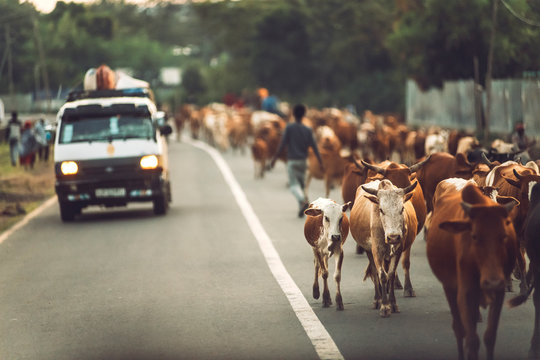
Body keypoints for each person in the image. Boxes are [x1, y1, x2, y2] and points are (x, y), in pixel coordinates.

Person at [270, 104, 324, 217]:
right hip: (303, 162)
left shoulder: (289, 128)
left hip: (292, 161)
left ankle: (303, 202)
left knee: (294, 185)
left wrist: (274, 158)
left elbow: (282, 144)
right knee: (302, 185)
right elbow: (314, 147)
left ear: (293, 114)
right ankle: (302, 208)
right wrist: (320, 162)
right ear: (304, 115)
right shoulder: (308, 130)